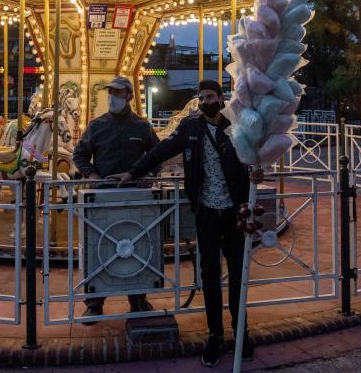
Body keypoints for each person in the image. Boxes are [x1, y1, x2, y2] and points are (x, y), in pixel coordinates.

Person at [112, 79, 260, 366]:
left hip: (234, 213)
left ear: (220, 98)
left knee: (238, 276)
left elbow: (255, 153)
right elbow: (164, 149)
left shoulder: (236, 126)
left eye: (210, 97)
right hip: (206, 212)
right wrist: (133, 171)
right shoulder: (191, 127)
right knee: (210, 276)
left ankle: (241, 332)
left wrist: (259, 172)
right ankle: (215, 335)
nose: (205, 102)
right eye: (201, 97)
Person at [71, 76, 160, 321]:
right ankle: (95, 300)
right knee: (99, 245)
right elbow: (79, 155)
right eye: (110, 92)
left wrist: (149, 174)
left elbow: (157, 153)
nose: (112, 97)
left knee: (138, 245)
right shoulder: (96, 125)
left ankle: (138, 297)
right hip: (104, 195)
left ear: (129, 96)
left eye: (117, 93)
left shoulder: (142, 126)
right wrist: (92, 174)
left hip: (134, 194)